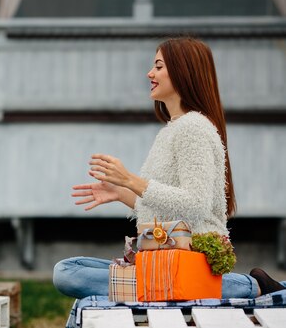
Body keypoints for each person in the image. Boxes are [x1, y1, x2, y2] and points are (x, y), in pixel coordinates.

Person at [53, 37, 285, 301]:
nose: (149, 73)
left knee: (69, 275)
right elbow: (164, 205)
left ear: (183, 71)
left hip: (188, 257)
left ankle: (248, 286)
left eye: (159, 66)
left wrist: (131, 180)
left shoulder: (193, 128)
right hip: (163, 255)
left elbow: (195, 203)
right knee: (70, 268)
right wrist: (121, 192)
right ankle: (216, 285)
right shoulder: (173, 130)